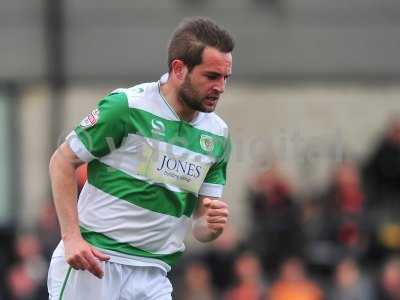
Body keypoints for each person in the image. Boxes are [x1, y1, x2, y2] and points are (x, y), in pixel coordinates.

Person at [47, 17, 234, 300]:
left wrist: (212, 225)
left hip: (153, 273)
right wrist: (71, 238)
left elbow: (200, 228)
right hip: (96, 261)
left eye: (225, 78)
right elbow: (62, 162)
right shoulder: (127, 107)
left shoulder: (218, 134)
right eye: (211, 76)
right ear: (179, 69)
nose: (220, 87)